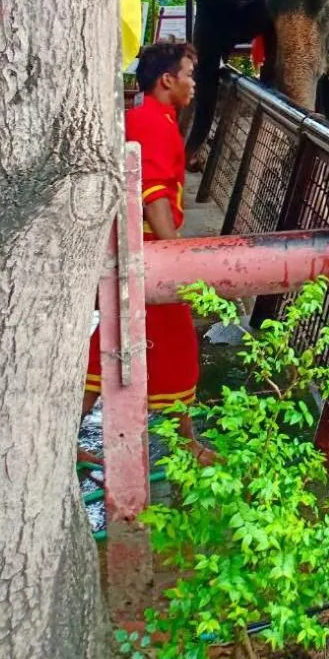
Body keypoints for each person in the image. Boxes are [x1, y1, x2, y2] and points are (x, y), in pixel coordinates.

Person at [81, 40, 212, 463]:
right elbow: (154, 194)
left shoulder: (148, 117)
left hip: (133, 250)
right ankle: (187, 444)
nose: (194, 84)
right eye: (189, 75)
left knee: (113, 342)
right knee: (175, 346)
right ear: (167, 80)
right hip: (148, 254)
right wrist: (173, 259)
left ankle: (63, 438)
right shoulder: (154, 124)